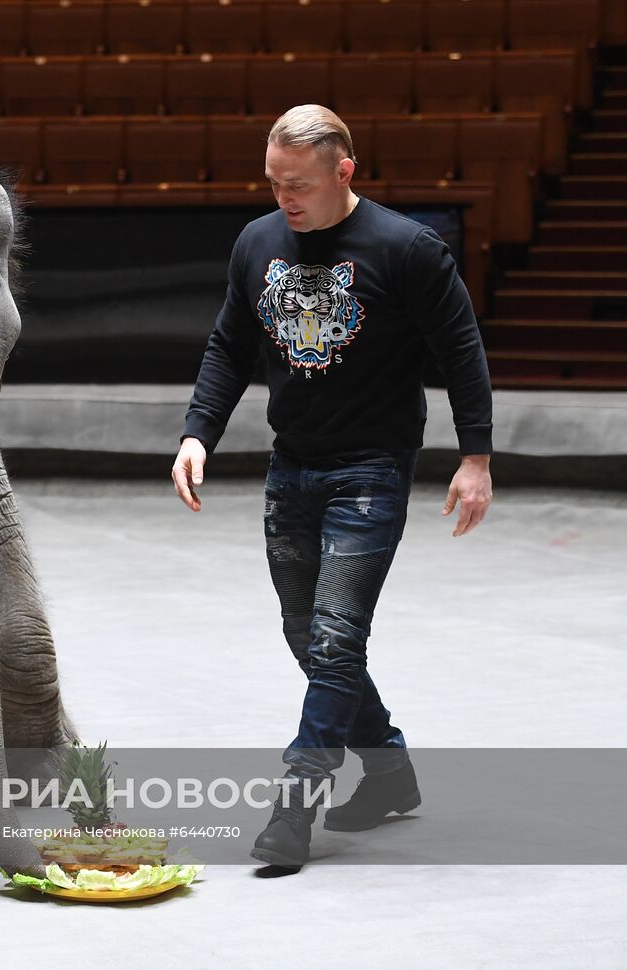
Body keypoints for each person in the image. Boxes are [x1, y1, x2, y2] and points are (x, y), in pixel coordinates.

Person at [170, 105, 493, 870]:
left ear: (344, 172)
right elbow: (229, 343)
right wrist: (196, 433)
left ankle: (296, 803)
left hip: (371, 468)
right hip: (294, 463)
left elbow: (461, 348)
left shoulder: (406, 248)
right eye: (275, 182)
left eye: (300, 185)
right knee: (303, 633)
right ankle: (387, 771)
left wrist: (475, 457)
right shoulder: (258, 243)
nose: (285, 197)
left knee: (338, 636)